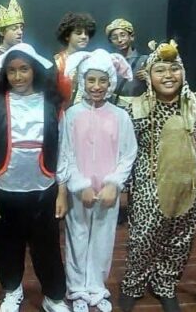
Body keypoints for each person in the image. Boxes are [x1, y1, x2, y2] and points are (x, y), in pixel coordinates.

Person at [119, 40, 196, 312]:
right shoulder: (136, 108)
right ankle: (133, 284)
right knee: (143, 238)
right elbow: (125, 151)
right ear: (148, 75)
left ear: (183, 72)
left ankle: (165, 284)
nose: (168, 75)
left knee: (179, 240)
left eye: (174, 69)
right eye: (160, 70)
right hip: (149, 186)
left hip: (188, 187)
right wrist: (124, 189)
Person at [0, 43, 69, 312]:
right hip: (5, 189)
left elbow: (64, 150)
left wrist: (62, 191)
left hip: (44, 189)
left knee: (47, 247)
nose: (18, 76)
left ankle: (53, 296)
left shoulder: (52, 104)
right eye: (12, 71)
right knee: (7, 246)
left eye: (24, 69)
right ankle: (12, 290)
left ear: (34, 70)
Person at [57, 49, 138, 312]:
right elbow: (65, 154)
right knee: (77, 238)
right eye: (91, 80)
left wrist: (114, 183)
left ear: (111, 82)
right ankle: (77, 289)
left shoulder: (120, 116)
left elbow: (128, 154)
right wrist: (78, 184)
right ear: (82, 81)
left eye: (103, 80)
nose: (96, 86)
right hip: (79, 193)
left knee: (103, 240)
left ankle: (96, 287)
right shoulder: (71, 115)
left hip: (107, 193)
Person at [53, 12, 97, 103]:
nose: (84, 37)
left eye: (86, 34)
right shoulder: (58, 61)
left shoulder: (93, 60)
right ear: (67, 36)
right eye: (78, 33)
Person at [104, 19, 149, 100]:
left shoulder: (145, 60)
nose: (119, 40)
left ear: (131, 37)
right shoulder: (108, 62)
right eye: (114, 37)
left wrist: (149, 77)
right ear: (111, 41)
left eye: (123, 35)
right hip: (113, 104)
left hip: (138, 104)